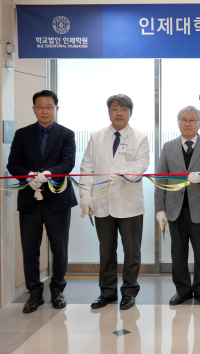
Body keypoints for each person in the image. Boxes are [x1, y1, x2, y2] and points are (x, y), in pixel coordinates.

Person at [7, 90, 77, 313]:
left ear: (56, 109)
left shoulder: (66, 134)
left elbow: (68, 163)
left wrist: (48, 174)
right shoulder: (22, 134)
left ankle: (57, 290)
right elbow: (12, 163)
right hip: (30, 200)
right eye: (40, 107)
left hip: (58, 199)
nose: (44, 111)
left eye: (49, 107)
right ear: (34, 109)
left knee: (59, 248)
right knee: (30, 249)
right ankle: (34, 293)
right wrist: (28, 176)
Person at [79, 94, 150, 311]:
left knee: (132, 252)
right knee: (106, 251)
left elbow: (141, 165)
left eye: (124, 109)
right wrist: (85, 195)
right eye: (115, 109)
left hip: (130, 204)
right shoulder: (97, 137)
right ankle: (107, 292)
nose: (119, 113)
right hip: (102, 203)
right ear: (108, 112)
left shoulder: (140, 137)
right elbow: (87, 167)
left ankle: (129, 292)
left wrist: (122, 173)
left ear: (131, 113)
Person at [155, 106, 200, 306]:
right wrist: (160, 209)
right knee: (178, 253)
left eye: (192, 120)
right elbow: (160, 179)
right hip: (174, 209)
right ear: (178, 123)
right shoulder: (168, 147)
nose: (187, 123)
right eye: (183, 119)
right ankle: (182, 289)